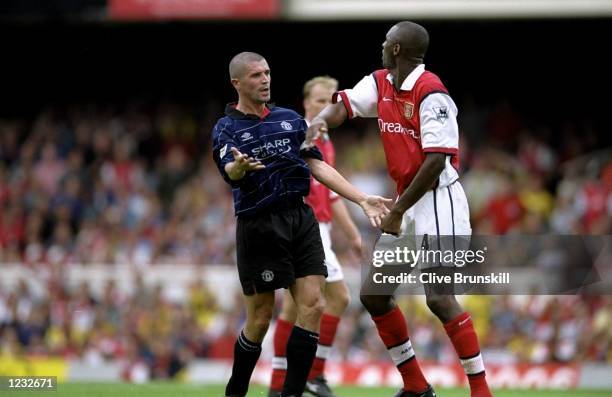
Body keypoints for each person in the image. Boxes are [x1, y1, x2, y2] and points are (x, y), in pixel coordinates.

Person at [306, 21, 494, 397]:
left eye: (386, 41)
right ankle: (416, 385)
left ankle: (481, 390)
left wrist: (396, 212)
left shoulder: (432, 93)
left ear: (396, 49)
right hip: (408, 205)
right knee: (374, 293)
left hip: (439, 203)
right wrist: (318, 126)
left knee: (439, 297)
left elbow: (437, 161)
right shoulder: (381, 83)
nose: (381, 45)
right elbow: (343, 107)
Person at [212, 52, 391, 397]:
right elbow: (229, 172)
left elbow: (317, 166)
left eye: (267, 73)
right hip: (258, 224)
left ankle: (292, 393)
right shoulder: (226, 128)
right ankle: (236, 390)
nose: (264, 80)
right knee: (261, 318)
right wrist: (239, 169)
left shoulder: (289, 119)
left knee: (315, 305)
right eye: (255, 76)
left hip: (300, 217)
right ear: (237, 83)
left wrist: (361, 198)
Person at [268, 76, 360, 397]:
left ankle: (280, 385)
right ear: (306, 102)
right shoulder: (300, 134)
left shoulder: (326, 141)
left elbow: (331, 195)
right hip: (304, 229)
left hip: (321, 229)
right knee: (338, 297)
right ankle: (314, 375)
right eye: (320, 101)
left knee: (294, 309)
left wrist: (352, 234)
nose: (326, 107)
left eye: (331, 102)